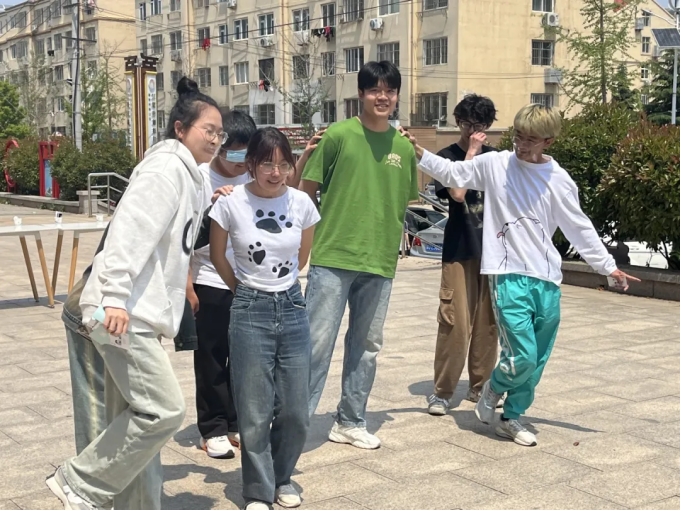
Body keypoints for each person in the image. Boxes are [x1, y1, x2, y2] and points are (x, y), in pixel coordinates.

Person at [401, 104, 639, 446]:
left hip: (546, 278)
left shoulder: (559, 180)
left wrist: (607, 266)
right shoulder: (496, 164)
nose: (521, 145)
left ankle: (511, 416)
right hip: (507, 273)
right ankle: (492, 389)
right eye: (518, 136)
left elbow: (579, 227)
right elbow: (452, 173)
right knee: (521, 354)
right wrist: (418, 151)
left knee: (537, 359)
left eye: (530, 140)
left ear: (548, 141)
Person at [47, 77, 223, 510]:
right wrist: (114, 297)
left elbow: (174, 245)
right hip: (122, 312)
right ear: (180, 128)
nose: (216, 140)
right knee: (163, 410)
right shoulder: (166, 170)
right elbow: (129, 232)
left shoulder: (192, 177)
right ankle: (79, 482)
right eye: (209, 130)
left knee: (135, 419)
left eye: (220, 133)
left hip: (138, 313)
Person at [301, 61, 420, 450]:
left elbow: (402, 203)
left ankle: (350, 421)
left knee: (366, 347)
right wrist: (307, 245)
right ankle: (292, 423)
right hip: (333, 257)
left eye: (390, 90)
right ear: (361, 94)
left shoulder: (404, 147)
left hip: (379, 261)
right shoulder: (337, 136)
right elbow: (305, 194)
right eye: (374, 90)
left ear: (397, 96)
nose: (382, 97)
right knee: (315, 345)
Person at [209, 128, 320, 510]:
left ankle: (281, 477)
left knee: (295, 409)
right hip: (249, 309)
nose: (276, 173)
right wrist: (242, 290)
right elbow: (218, 256)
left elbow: (301, 258)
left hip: (292, 305)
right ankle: (258, 490)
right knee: (254, 411)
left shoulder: (302, 203)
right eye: (267, 164)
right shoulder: (230, 202)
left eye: (283, 164)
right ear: (251, 164)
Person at [188, 110, 257, 460]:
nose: (241, 163)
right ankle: (212, 427)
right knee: (212, 356)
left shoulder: (253, 177)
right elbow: (182, 235)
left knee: (243, 356)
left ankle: (234, 421)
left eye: (248, 154)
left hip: (247, 279)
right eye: (235, 153)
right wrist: (186, 284)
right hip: (209, 277)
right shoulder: (198, 177)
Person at [427, 94, 500, 416]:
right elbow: (457, 193)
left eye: (481, 125)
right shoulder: (447, 157)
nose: (474, 131)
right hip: (459, 249)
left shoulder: (497, 159)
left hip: (494, 252)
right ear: (457, 122)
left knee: (488, 324)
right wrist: (471, 153)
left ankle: (480, 387)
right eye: (468, 124)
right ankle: (442, 392)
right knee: (454, 322)